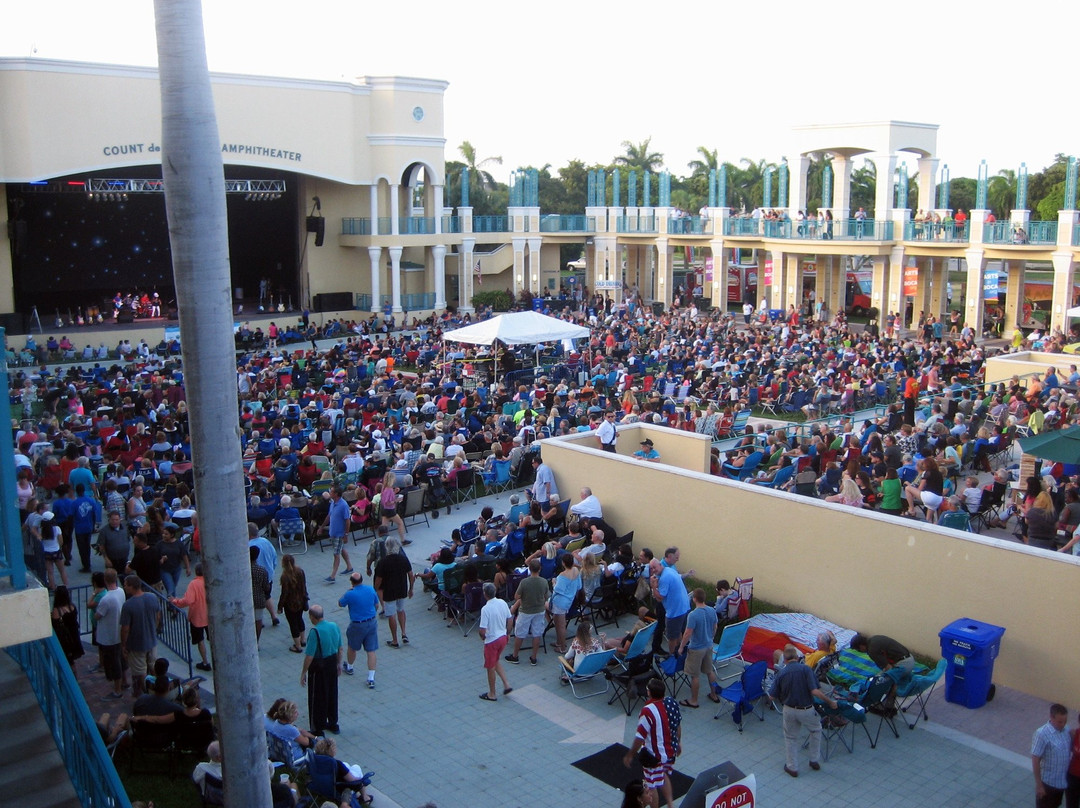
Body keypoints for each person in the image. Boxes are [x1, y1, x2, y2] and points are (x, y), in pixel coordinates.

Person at [770, 644, 838, 777]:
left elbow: (772, 696)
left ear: (784, 660)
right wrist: (830, 702)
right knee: (816, 730)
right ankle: (814, 760)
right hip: (806, 709)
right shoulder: (806, 670)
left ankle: (792, 767)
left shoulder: (782, 673)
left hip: (789, 709)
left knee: (790, 738)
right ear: (797, 657)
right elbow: (815, 691)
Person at [622, 678, 682, 808]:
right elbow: (677, 725)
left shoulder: (647, 711)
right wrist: (678, 743)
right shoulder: (671, 703)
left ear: (649, 692)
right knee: (663, 775)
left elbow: (639, 736)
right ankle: (671, 804)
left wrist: (630, 754)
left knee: (651, 785)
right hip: (670, 752)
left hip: (654, 755)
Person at [301, 604, 344, 735]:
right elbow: (340, 648)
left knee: (317, 696)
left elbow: (309, 656)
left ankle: (317, 727)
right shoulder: (334, 626)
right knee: (332, 692)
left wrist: (303, 672)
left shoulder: (315, 632)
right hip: (332, 663)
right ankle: (333, 722)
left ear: (312, 617)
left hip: (319, 667)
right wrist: (339, 664)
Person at [676, 589, 719, 708]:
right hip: (708, 645)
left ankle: (694, 700)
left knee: (695, 675)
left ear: (694, 599)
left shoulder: (693, 615)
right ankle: (714, 694)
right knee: (709, 671)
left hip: (696, 648)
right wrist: (711, 636)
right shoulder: (712, 611)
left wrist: (681, 647)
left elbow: (688, 633)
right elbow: (715, 626)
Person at [120, 575, 161, 697]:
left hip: (136, 645)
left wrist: (123, 645)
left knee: (139, 672)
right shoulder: (153, 597)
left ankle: (144, 694)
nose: (124, 586)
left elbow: (125, 629)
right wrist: (153, 629)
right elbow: (158, 616)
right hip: (152, 641)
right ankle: (157, 690)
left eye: (126, 584)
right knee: (153, 667)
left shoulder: (128, 605)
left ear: (132, 586)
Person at [337, 572, 379, 688]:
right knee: (371, 650)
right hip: (371, 622)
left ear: (352, 582)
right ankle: (371, 678)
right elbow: (376, 605)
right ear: (362, 580)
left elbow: (340, 603)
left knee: (352, 647)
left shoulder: (350, 594)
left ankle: (350, 667)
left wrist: (349, 591)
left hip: (357, 624)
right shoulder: (370, 590)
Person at [373, 536, 414, 647]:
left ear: (387, 547)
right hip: (402, 589)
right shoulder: (403, 559)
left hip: (389, 591)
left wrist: (374, 590)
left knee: (391, 614)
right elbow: (411, 575)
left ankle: (395, 640)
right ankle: (404, 633)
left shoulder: (383, 562)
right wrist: (411, 589)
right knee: (401, 610)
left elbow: (378, 579)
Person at [170, 563, 212, 671]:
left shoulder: (194, 584)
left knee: (200, 640)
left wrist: (175, 601)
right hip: (210, 616)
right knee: (212, 639)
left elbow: (188, 600)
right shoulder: (210, 582)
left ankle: (205, 662)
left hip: (197, 616)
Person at [505, 559, 547, 666]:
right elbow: (546, 596)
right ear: (540, 569)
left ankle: (515, 656)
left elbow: (516, 596)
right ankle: (534, 657)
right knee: (537, 634)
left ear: (529, 569)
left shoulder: (524, 582)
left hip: (526, 611)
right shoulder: (544, 581)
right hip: (539, 610)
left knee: (520, 634)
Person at [478, 582, 513, 702]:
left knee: (490, 666)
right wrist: (508, 633)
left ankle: (492, 693)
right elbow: (509, 619)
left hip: (492, 640)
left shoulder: (485, 609)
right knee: (496, 660)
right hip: (502, 637)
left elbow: (482, 630)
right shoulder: (502, 602)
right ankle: (506, 684)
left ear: (485, 594)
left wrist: (483, 637)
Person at [96, 568, 127, 700]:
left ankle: (117, 690)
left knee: (114, 663)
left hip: (109, 635)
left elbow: (98, 616)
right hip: (118, 632)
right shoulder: (121, 591)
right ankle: (125, 681)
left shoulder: (106, 599)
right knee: (120, 659)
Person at [1033, 704, 1071, 808]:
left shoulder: (1066, 730)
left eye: (1065, 721)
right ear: (1051, 717)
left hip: (1061, 783)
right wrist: (1039, 785)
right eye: (1060, 721)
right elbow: (1035, 759)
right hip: (1048, 784)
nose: (1063, 724)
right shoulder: (1042, 734)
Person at [651, 558, 690, 655]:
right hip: (684, 607)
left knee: (672, 637)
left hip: (675, 611)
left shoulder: (664, 578)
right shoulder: (669, 570)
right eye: (651, 568)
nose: (653, 570)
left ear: (660, 565)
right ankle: (680, 652)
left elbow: (660, 598)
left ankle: (672, 656)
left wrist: (653, 587)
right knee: (679, 631)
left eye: (654, 567)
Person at [548, 554, 581, 654]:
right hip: (568, 600)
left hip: (560, 602)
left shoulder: (562, 575)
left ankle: (562, 647)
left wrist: (554, 582)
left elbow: (558, 589)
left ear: (563, 563)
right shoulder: (576, 571)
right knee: (558, 623)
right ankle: (559, 642)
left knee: (561, 625)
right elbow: (579, 586)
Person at [321, 485, 354, 584]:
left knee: (336, 554)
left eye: (331, 492)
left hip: (340, 533)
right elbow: (329, 515)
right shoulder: (332, 503)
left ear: (336, 494)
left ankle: (333, 576)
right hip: (333, 533)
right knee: (341, 549)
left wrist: (346, 534)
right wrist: (322, 526)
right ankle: (349, 567)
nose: (330, 493)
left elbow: (347, 521)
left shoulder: (343, 505)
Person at [279, 554, 310, 654]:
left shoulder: (285, 577)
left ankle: (297, 646)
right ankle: (303, 639)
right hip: (301, 601)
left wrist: (280, 606)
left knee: (293, 623)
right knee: (300, 619)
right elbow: (304, 586)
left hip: (290, 604)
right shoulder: (300, 571)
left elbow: (284, 593)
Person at [51, 585, 85, 669]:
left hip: (64, 639)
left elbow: (54, 624)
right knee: (70, 661)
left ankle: (71, 678)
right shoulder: (72, 606)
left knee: (67, 661)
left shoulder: (57, 610)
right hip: (73, 635)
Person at [850, 632, 916, 675]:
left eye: (858, 649)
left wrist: (880, 675)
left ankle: (892, 695)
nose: (859, 651)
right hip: (910, 658)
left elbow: (889, 668)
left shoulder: (872, 651)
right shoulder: (875, 638)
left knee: (884, 680)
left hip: (905, 666)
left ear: (861, 646)